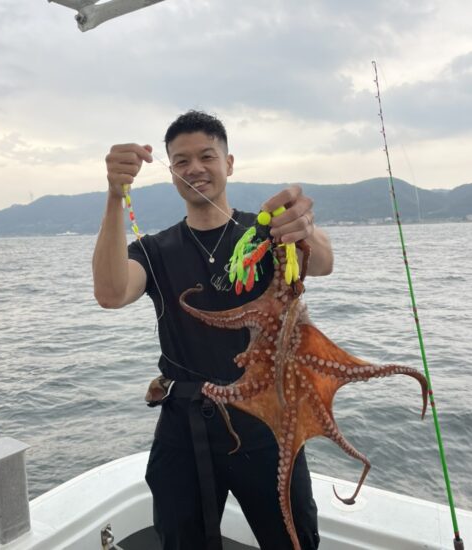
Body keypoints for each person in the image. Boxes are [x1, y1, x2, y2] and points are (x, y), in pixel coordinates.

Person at [93, 110, 334, 550]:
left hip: (268, 419)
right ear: (171, 172)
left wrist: (304, 227)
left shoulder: (266, 234)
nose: (195, 168)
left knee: (293, 539)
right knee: (180, 539)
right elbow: (111, 294)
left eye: (207, 156)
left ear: (229, 163)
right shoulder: (155, 250)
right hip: (185, 424)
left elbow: (321, 263)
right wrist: (113, 196)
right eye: (181, 161)